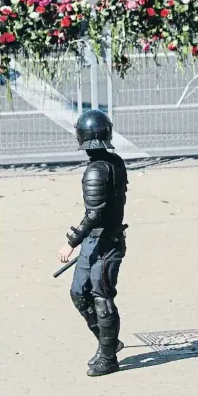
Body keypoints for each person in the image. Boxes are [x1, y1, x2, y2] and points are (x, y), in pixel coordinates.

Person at [57, 109, 128, 377]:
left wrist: (70, 242)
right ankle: (108, 341)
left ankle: (108, 356)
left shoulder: (97, 170)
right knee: (79, 293)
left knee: (102, 298)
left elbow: (95, 212)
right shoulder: (114, 162)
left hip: (104, 244)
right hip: (95, 242)